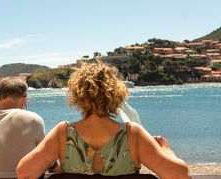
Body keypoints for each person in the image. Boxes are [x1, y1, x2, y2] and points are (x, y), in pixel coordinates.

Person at [17, 61, 190, 179]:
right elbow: (180, 175)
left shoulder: (63, 133)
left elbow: (25, 173)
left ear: (77, 95)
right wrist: (165, 149)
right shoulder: (133, 134)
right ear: (116, 94)